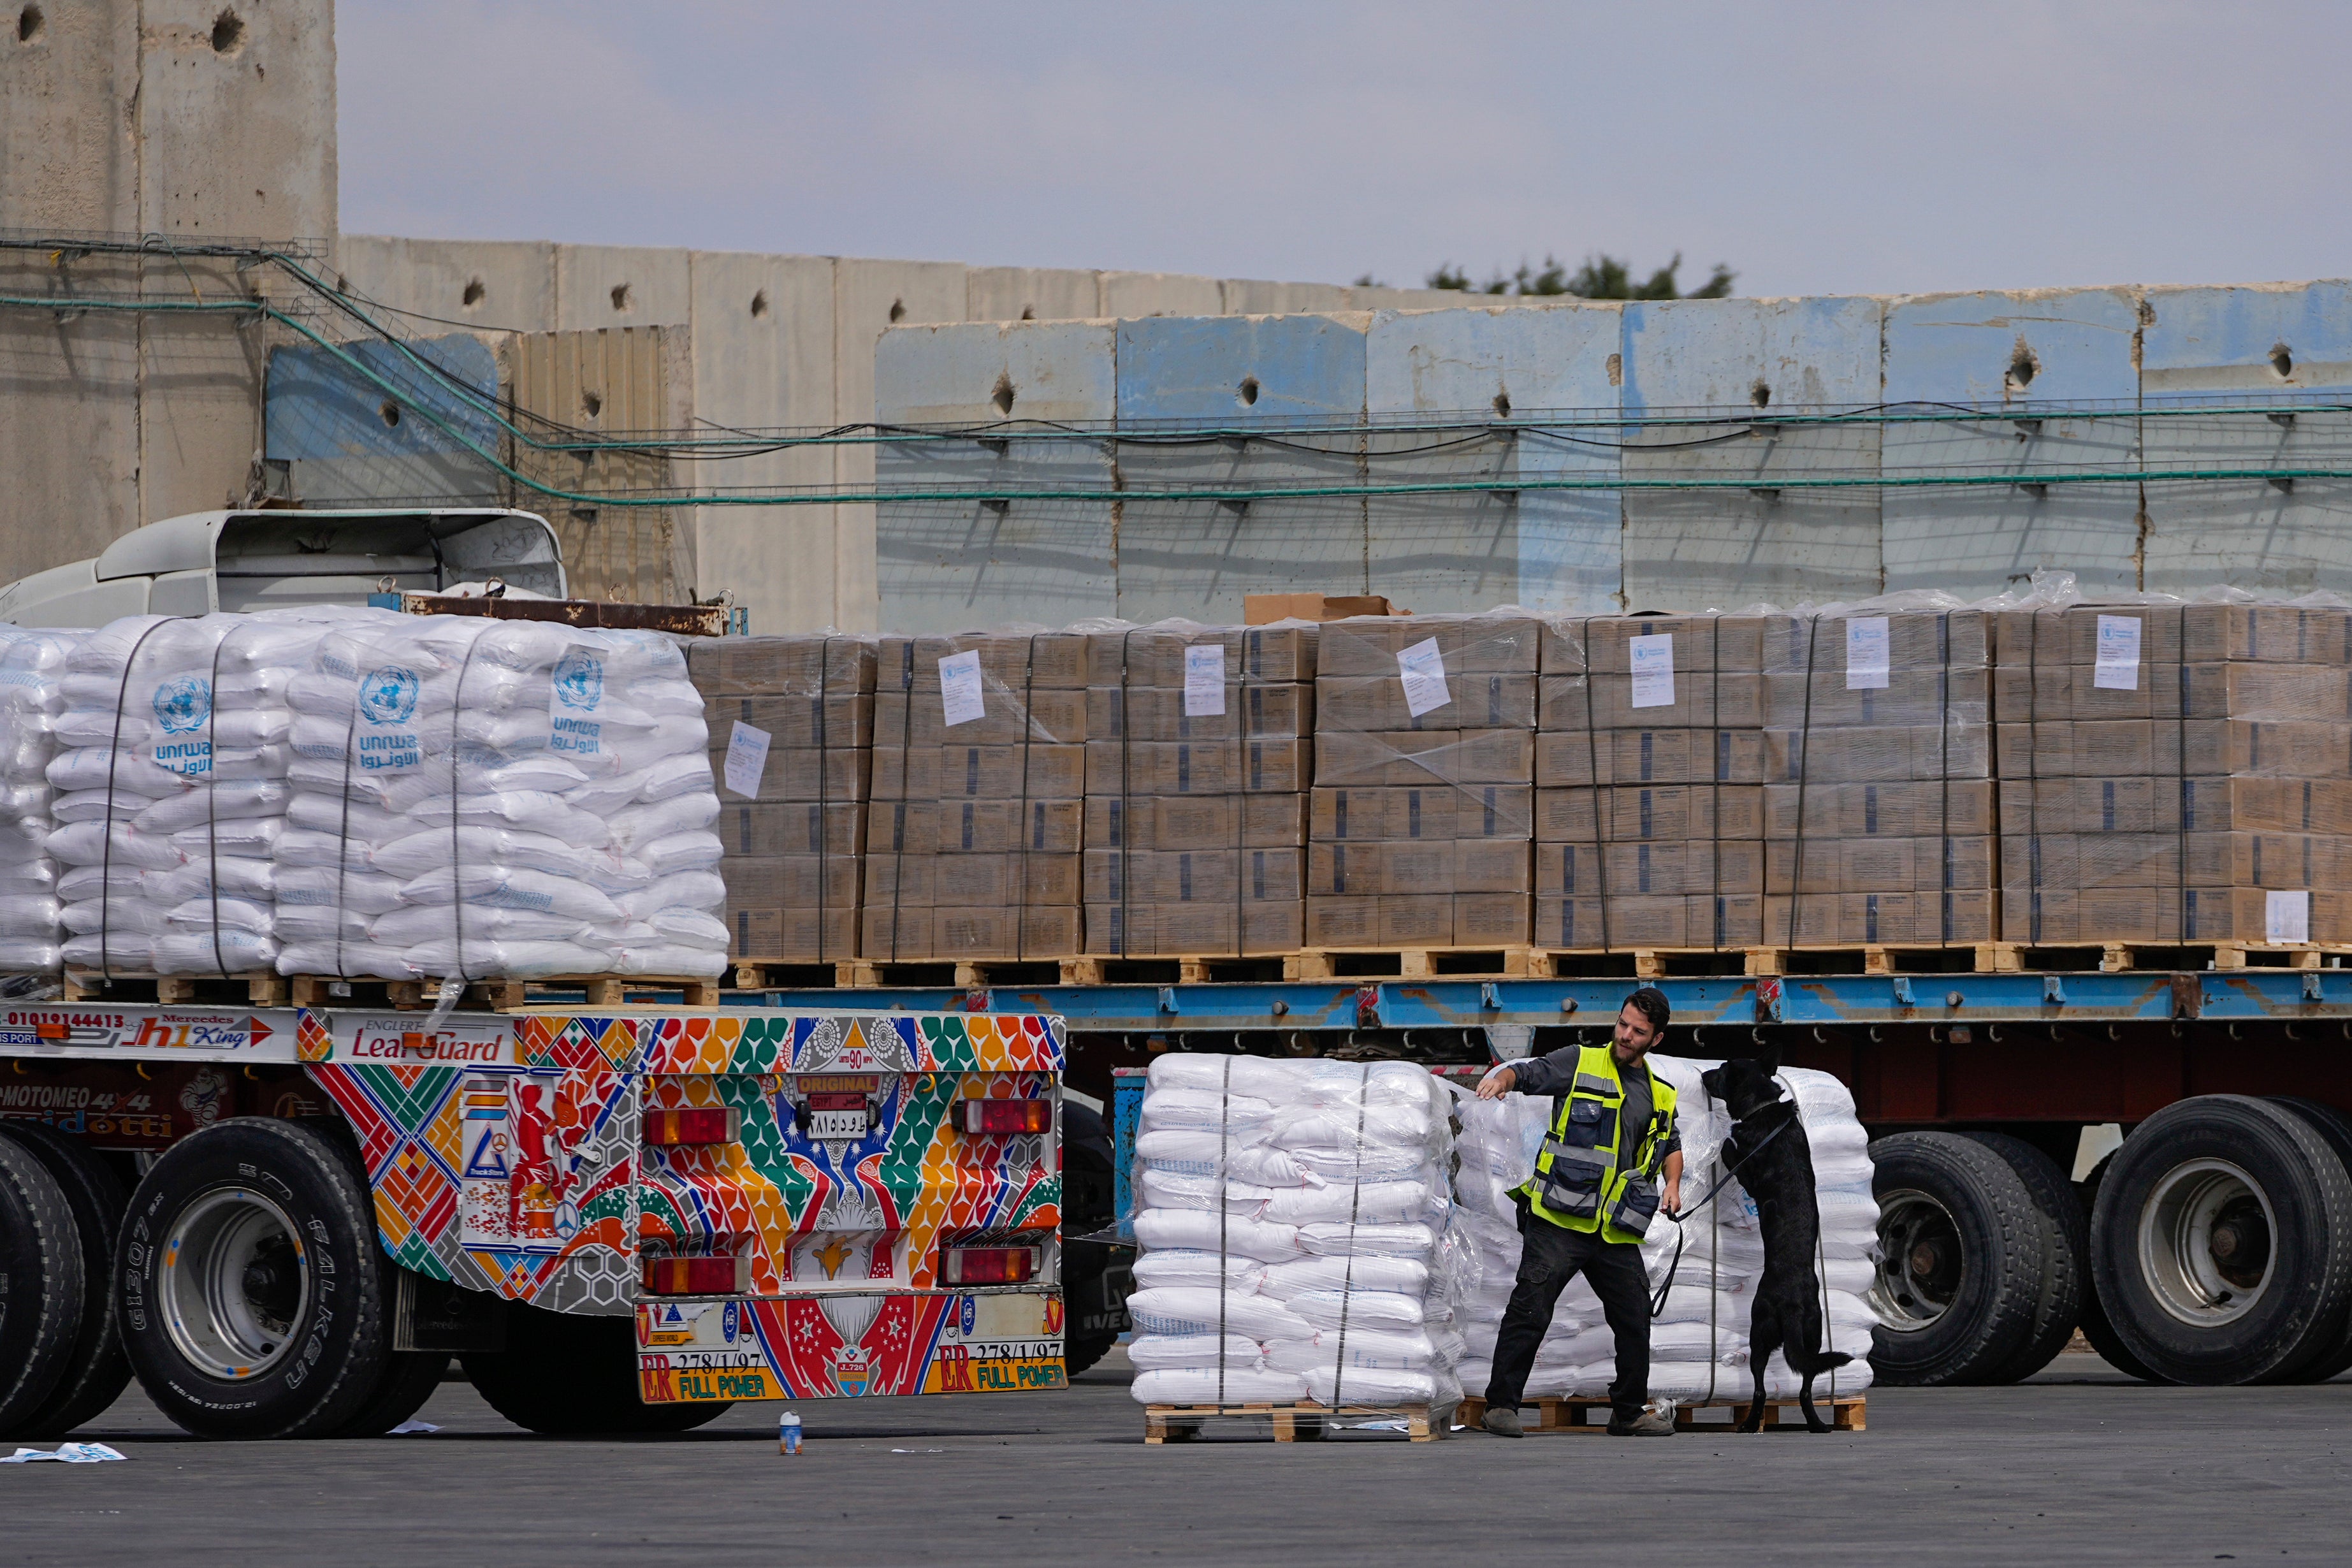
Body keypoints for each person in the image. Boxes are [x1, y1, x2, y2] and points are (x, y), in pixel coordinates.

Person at [1474, 985, 1683, 1437]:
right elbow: (1530, 1074)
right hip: (1559, 1220)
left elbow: (1671, 1143)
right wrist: (1502, 1081)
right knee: (1530, 1310)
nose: (1626, 1035)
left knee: (1633, 1318)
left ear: (1656, 1040)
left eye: (1638, 1031)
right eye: (1623, 1024)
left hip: (1614, 1230)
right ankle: (1500, 1407)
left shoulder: (1660, 1094)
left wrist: (1673, 1184)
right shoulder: (1581, 1060)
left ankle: (1628, 1412)